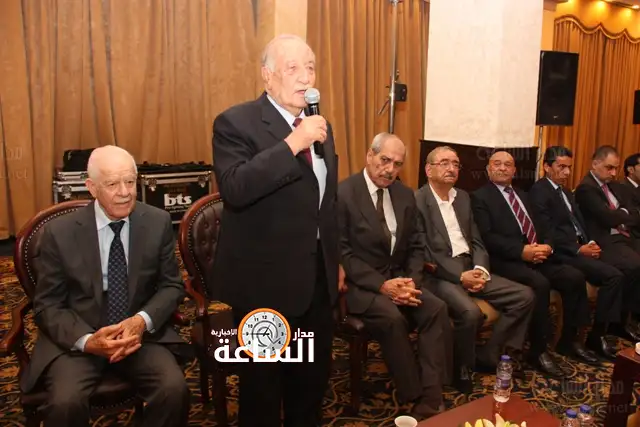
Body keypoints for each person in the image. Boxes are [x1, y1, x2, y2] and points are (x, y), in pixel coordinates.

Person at [211, 34, 338, 427]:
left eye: (310, 67)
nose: (305, 77)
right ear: (267, 76)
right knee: (262, 396)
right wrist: (292, 143)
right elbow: (235, 188)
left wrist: (335, 261)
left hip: (316, 283)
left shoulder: (321, 126)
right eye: (293, 68)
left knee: (310, 389)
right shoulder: (236, 122)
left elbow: (324, 203)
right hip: (263, 286)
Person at [21, 145, 190, 427]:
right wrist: (88, 341)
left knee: (174, 390)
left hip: (137, 334)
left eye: (130, 182)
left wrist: (141, 321)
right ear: (92, 187)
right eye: (112, 184)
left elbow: (172, 286)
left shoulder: (156, 222)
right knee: (65, 403)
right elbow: (48, 305)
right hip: (79, 335)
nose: (125, 192)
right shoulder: (59, 233)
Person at [338, 133, 451, 420]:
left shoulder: (404, 194)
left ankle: (432, 394)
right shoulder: (344, 193)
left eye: (397, 164)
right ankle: (413, 394)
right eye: (385, 160)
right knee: (392, 318)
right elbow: (343, 253)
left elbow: (415, 245)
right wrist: (382, 285)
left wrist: (411, 282)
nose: (390, 170)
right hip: (362, 285)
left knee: (436, 308)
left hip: (401, 280)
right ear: (370, 156)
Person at [414, 146, 534, 393]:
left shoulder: (463, 197)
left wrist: (480, 268)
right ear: (428, 169)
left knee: (525, 296)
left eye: (456, 164)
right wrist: (459, 276)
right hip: (439, 274)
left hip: (470, 266)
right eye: (444, 163)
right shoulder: (417, 201)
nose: (451, 168)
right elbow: (423, 252)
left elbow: (477, 240)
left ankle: (490, 355)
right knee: (470, 313)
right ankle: (462, 367)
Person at [471, 151, 597, 377]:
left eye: (508, 165)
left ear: (514, 170)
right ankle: (538, 351)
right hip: (505, 260)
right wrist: (522, 252)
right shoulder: (479, 197)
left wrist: (547, 246)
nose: (502, 168)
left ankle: (569, 340)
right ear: (488, 169)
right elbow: (487, 237)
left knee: (573, 277)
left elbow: (544, 225)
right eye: (497, 164)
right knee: (539, 284)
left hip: (537, 254)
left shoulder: (524, 194)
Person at [528, 146, 628, 360]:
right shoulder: (539, 191)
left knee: (616, 274)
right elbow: (547, 231)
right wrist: (577, 248)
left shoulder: (565, 191)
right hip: (561, 253)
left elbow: (578, 223)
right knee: (584, 277)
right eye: (561, 167)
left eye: (569, 167)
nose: (566, 172)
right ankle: (573, 339)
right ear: (546, 167)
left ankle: (597, 334)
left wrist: (589, 242)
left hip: (578, 248)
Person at [574, 145, 640, 342]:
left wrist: (621, 214)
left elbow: (635, 212)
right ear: (595, 164)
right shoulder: (586, 188)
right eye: (609, 168)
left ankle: (623, 321)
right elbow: (607, 218)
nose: (613, 173)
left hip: (625, 236)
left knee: (634, 267)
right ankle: (608, 326)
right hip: (604, 241)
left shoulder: (614, 186)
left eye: (615, 168)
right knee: (634, 266)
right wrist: (623, 214)